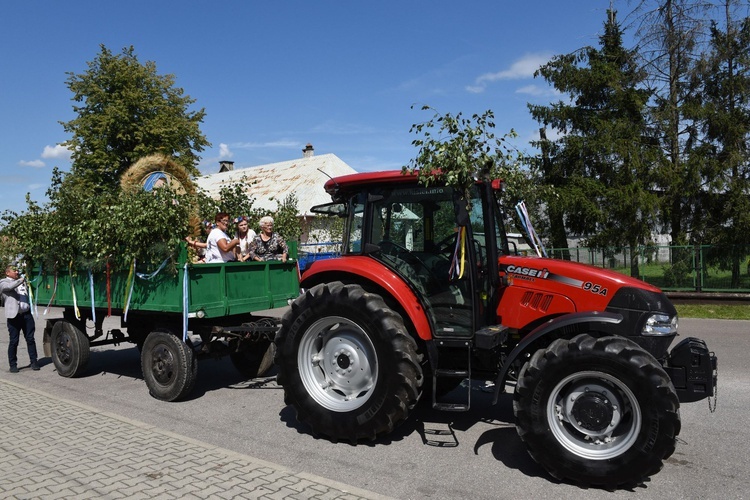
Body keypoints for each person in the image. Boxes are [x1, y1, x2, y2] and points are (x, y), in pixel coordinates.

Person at [0, 264, 39, 373]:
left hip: (26, 315)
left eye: (17, 270)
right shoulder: (3, 282)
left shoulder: (22, 282)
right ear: (7, 273)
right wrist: (22, 279)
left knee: (30, 339)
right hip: (14, 316)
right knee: (14, 341)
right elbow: (8, 287)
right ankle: (13, 364)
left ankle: (34, 362)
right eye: (14, 271)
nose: (17, 272)